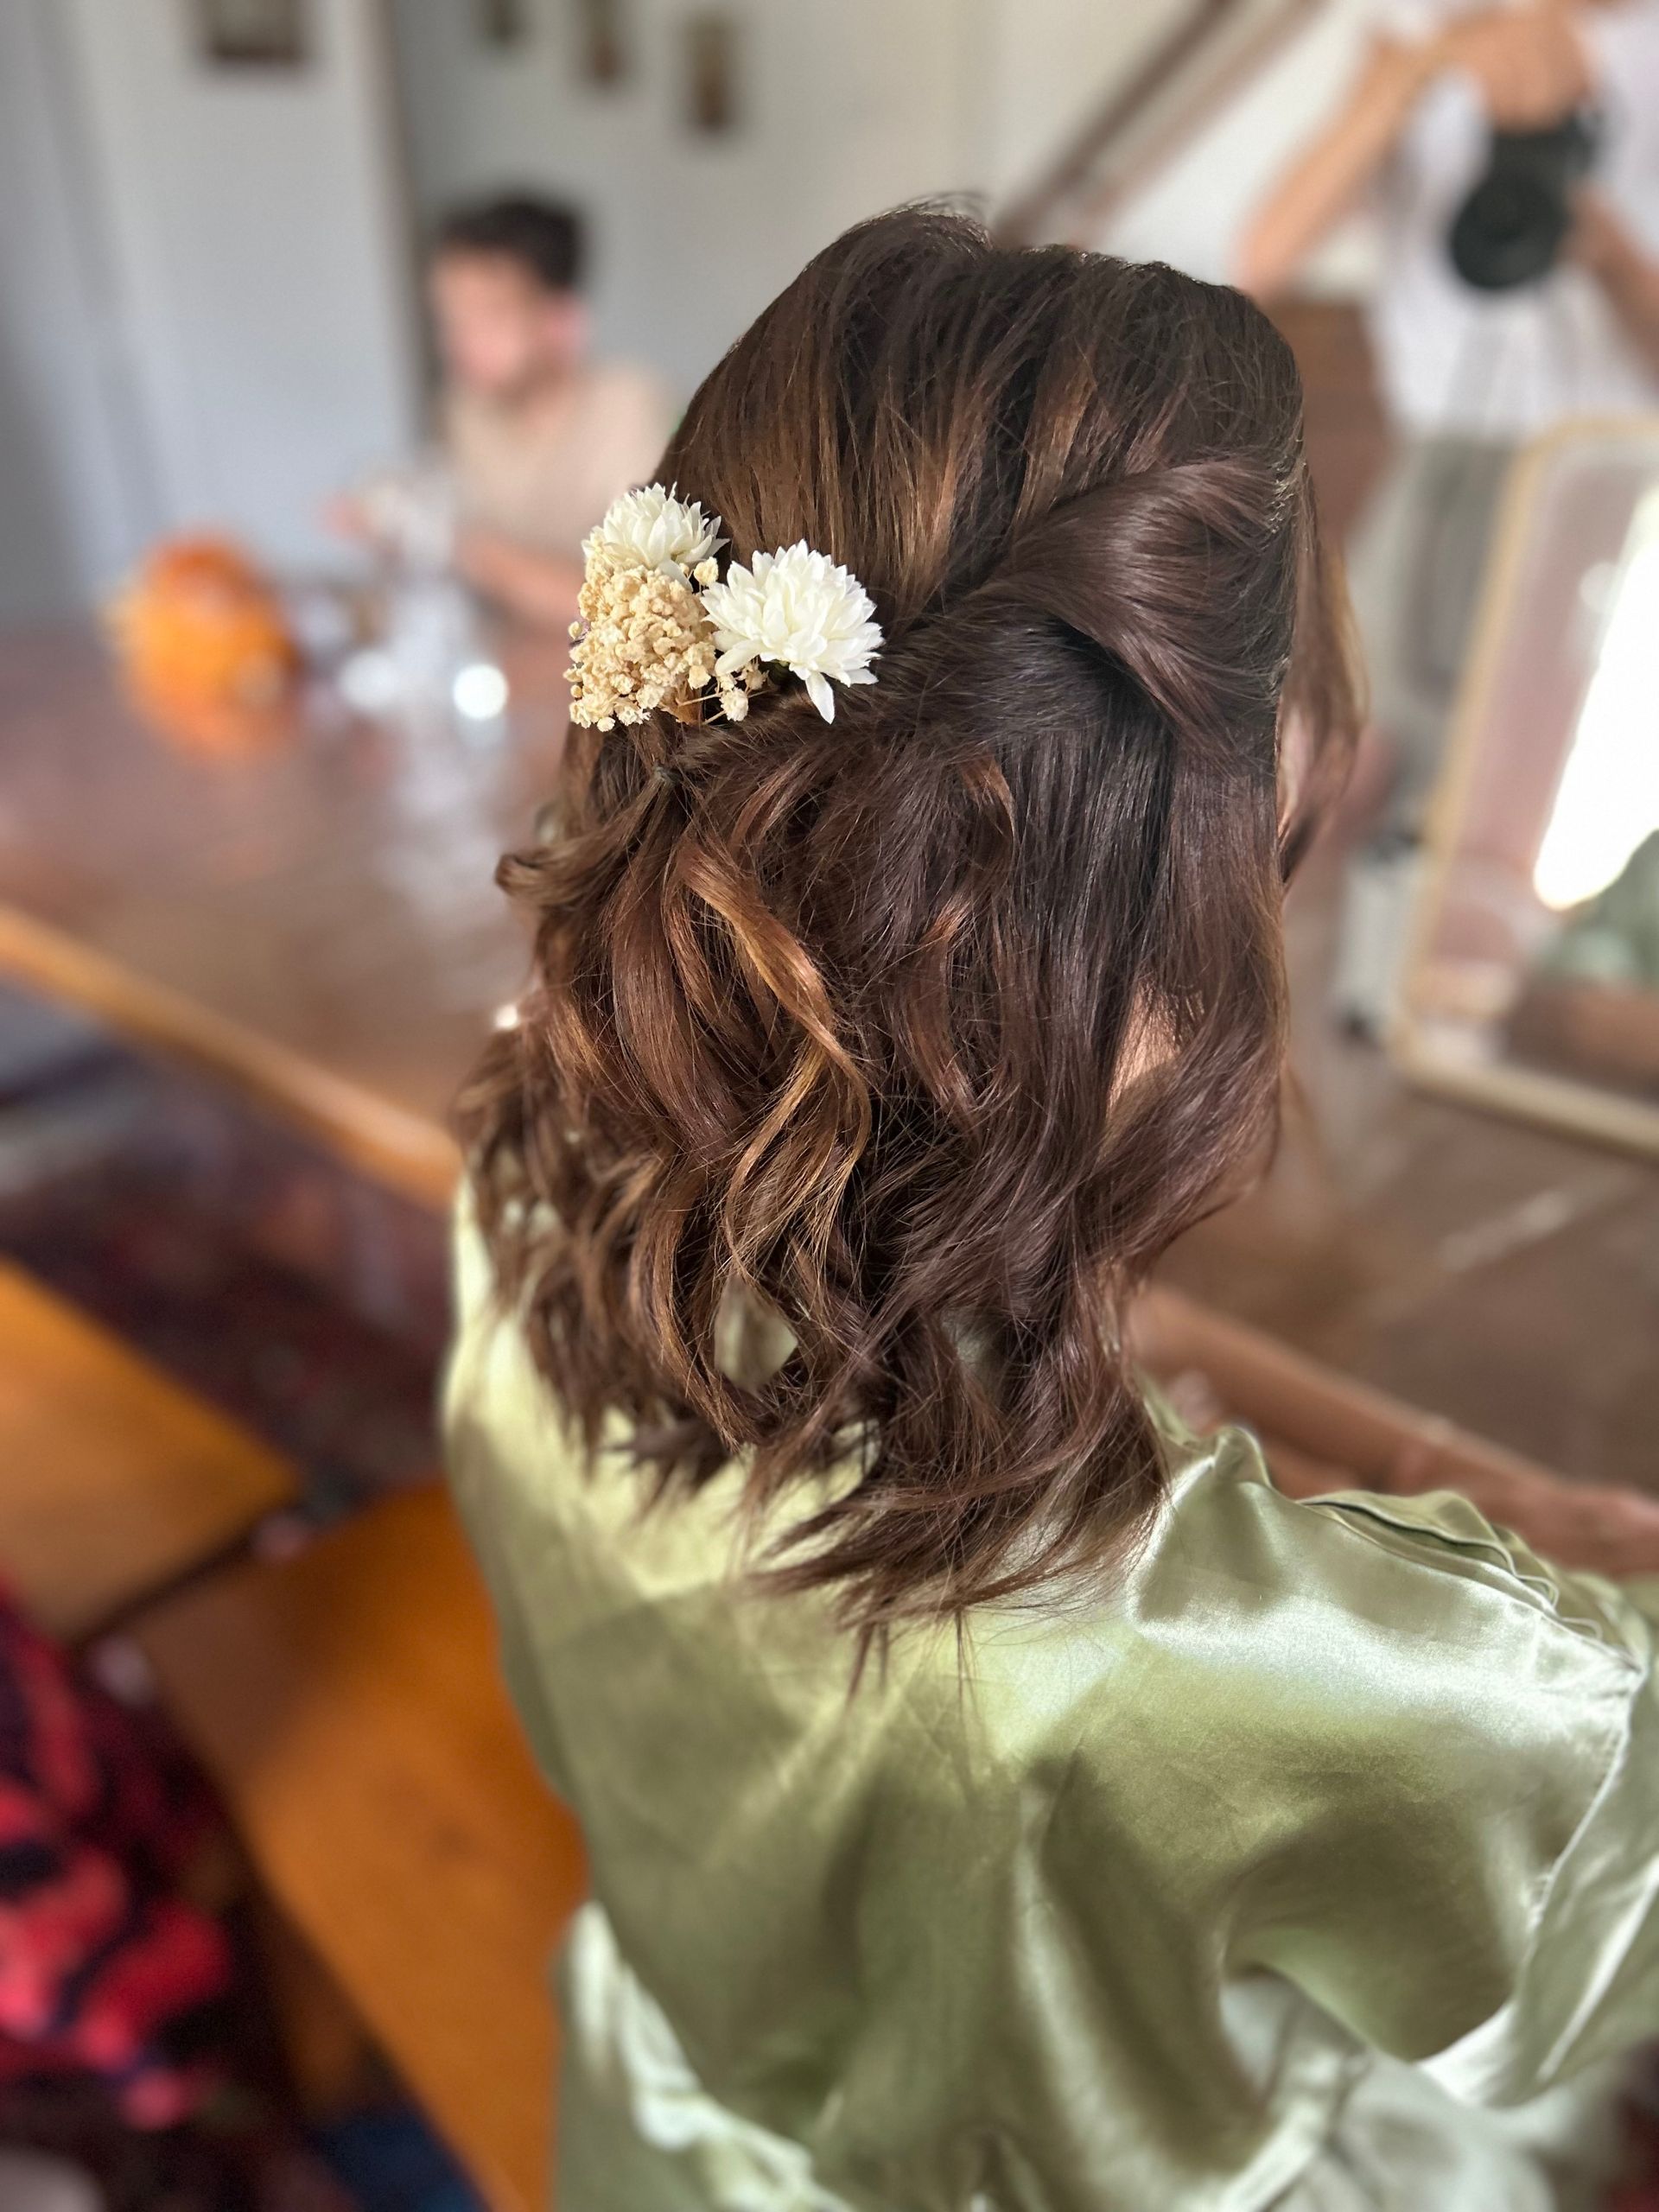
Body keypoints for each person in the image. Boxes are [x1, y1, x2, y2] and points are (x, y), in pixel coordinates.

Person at [445, 207, 1659, 2208]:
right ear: (1217, 818)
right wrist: (1542, 1557)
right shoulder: (1216, 1657)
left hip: (658, 2126)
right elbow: (1593, 1838)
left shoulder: (526, 1195)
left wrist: (1433, 1474)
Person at [1239, 0, 1659, 832]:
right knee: (1336, 768)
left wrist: (1606, 253)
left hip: (1608, 476)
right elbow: (1261, 259)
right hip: (1433, 460)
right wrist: (1408, 81)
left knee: (1521, 812)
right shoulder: (1416, 35)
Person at [346, 195, 671, 632]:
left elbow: (643, 609)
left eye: (490, 315)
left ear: (562, 322)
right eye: (451, 319)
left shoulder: (629, 407)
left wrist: (460, 548)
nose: (461, 342)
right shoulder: (462, 411)